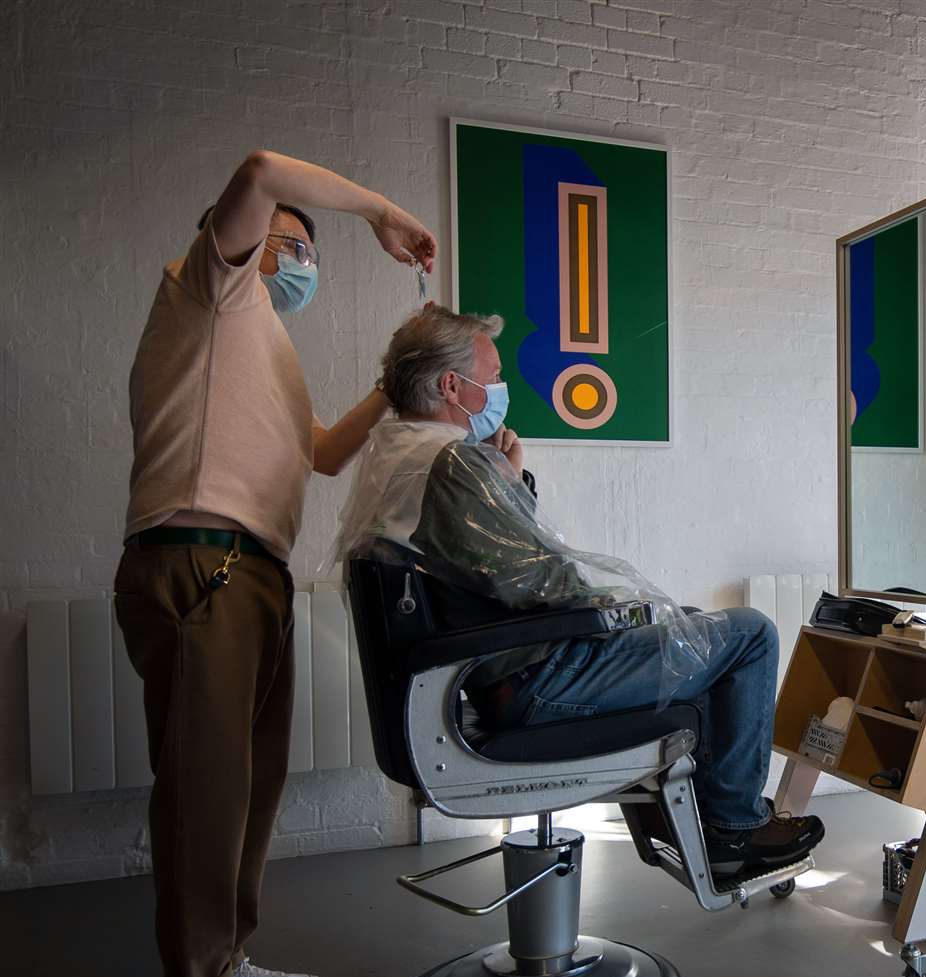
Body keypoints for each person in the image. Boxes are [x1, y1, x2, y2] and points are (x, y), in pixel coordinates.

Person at [114, 150, 437, 977]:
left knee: (249, 782)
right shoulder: (204, 292)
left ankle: (225, 958)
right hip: (197, 558)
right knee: (205, 784)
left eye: (305, 251)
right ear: (239, 240)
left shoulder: (267, 349)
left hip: (251, 569)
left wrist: (403, 369)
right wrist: (379, 209)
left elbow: (326, 454)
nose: (297, 259)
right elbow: (259, 169)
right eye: (287, 240)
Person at [334, 306, 825, 882]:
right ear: (451, 385)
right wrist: (607, 604)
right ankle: (733, 830)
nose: (498, 389)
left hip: (481, 676)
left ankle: (703, 818)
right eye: (491, 376)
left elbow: (482, 568)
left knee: (691, 627)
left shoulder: (396, 456)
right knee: (748, 633)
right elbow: (543, 584)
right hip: (533, 684)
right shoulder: (451, 463)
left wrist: (507, 484)